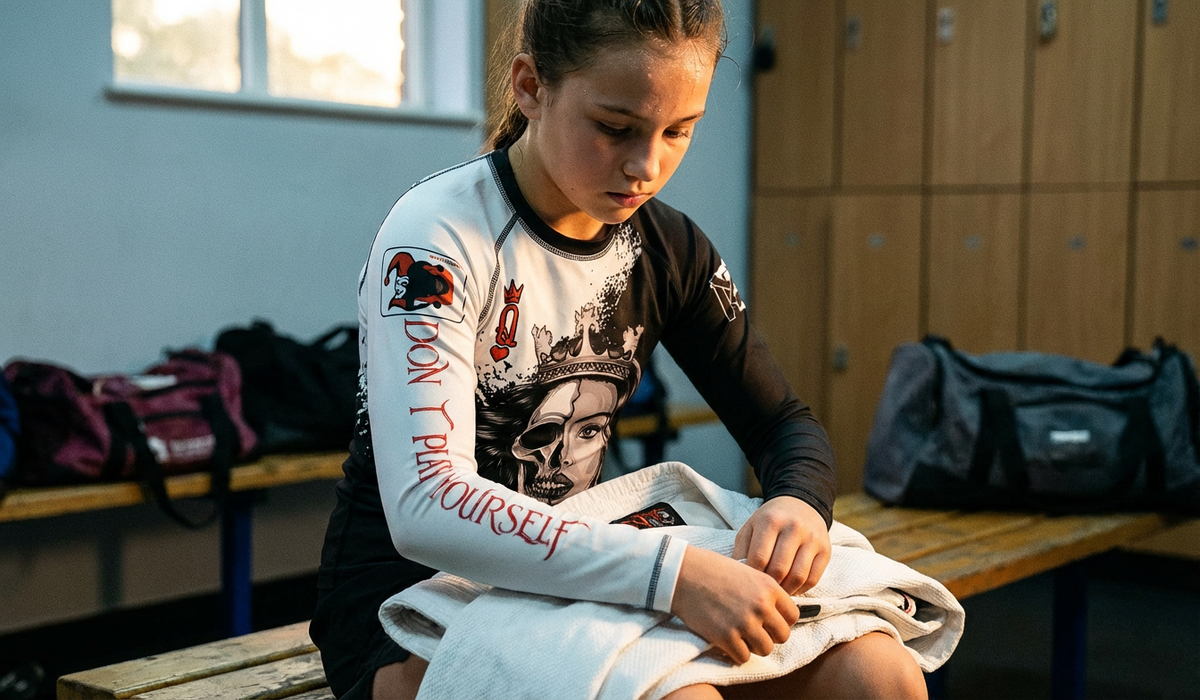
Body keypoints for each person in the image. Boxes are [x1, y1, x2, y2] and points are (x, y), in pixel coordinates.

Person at [310, 1, 928, 698]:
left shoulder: (668, 248)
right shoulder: (435, 238)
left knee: (879, 675)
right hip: (413, 600)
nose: (646, 166)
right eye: (615, 128)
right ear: (530, 87)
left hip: (580, 583)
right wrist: (675, 577)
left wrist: (799, 504)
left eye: (678, 132)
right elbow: (430, 505)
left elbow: (783, 425)